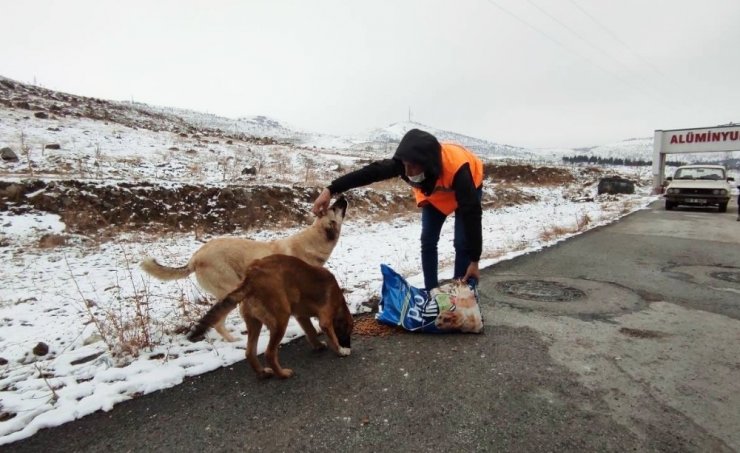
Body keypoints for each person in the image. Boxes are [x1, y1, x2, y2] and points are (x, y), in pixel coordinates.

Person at [312, 128, 483, 291]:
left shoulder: (458, 170)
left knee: (462, 243)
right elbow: (369, 173)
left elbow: (472, 216)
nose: (407, 172)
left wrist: (474, 261)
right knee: (428, 240)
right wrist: (330, 189)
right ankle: (432, 294)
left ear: (428, 164)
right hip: (435, 193)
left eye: (413, 167)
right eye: (405, 166)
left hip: (468, 188)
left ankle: (461, 293)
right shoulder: (404, 164)